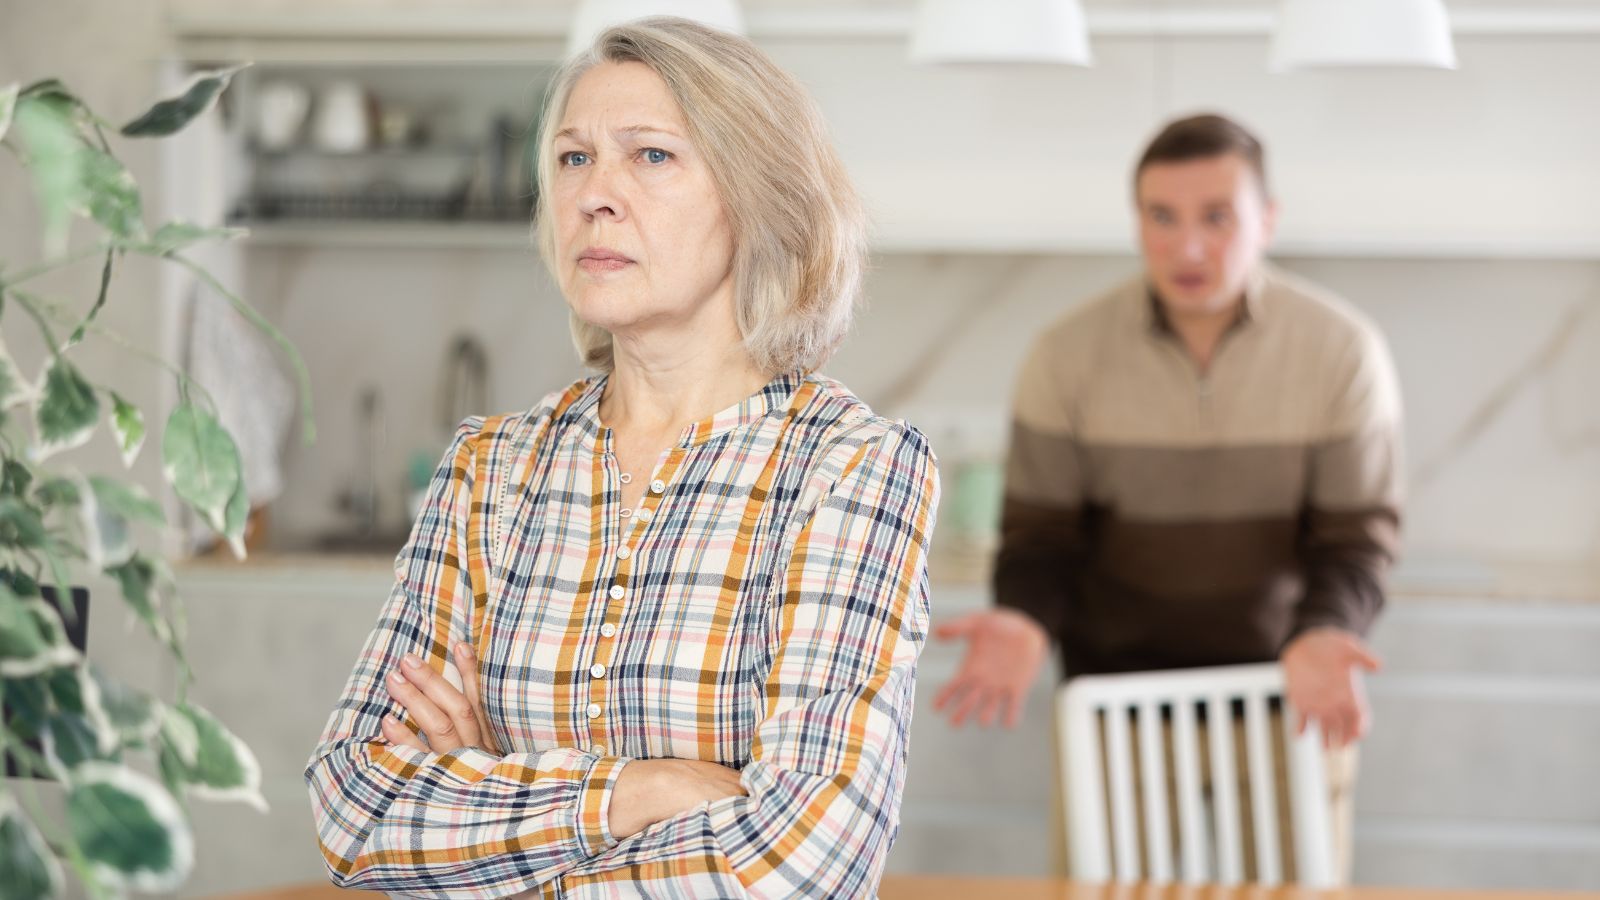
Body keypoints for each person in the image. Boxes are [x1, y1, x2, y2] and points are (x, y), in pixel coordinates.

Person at [304, 18, 939, 898]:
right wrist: (638, 791)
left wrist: (488, 809)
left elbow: (806, 862)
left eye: (650, 156)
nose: (595, 194)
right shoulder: (489, 468)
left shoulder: (850, 468)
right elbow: (357, 810)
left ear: (758, 197)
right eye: (572, 159)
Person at [933, 113, 1402, 880]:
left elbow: (1356, 537)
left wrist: (1327, 630)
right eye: (1162, 217)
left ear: (1268, 220)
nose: (1188, 247)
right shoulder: (1066, 355)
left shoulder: (1341, 351)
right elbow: (1041, 538)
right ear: (1137, 220)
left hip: (1286, 698)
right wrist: (1024, 618)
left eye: (1217, 218)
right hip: (1116, 708)